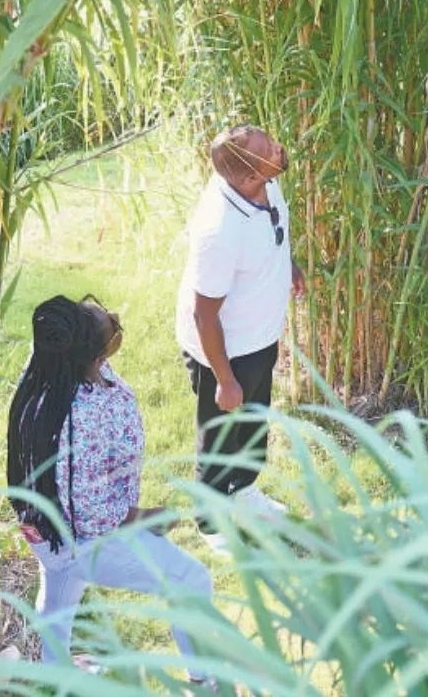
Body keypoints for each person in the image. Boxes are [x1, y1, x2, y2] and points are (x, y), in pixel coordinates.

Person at [7, 294, 213, 685]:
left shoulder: (46, 374)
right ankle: (204, 682)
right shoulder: (88, 413)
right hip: (85, 539)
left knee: (60, 590)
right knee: (191, 581)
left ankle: (55, 671)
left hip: (44, 529)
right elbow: (95, 514)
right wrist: (144, 517)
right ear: (90, 355)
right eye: (111, 331)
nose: (115, 317)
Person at [175, 124, 306, 552]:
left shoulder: (265, 180)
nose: (279, 147)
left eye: (272, 140)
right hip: (223, 349)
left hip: (260, 336)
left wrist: (289, 265)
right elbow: (204, 314)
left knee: (252, 422)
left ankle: (245, 491)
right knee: (219, 433)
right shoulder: (219, 230)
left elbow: (272, 229)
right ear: (248, 175)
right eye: (270, 148)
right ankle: (211, 522)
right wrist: (225, 379)